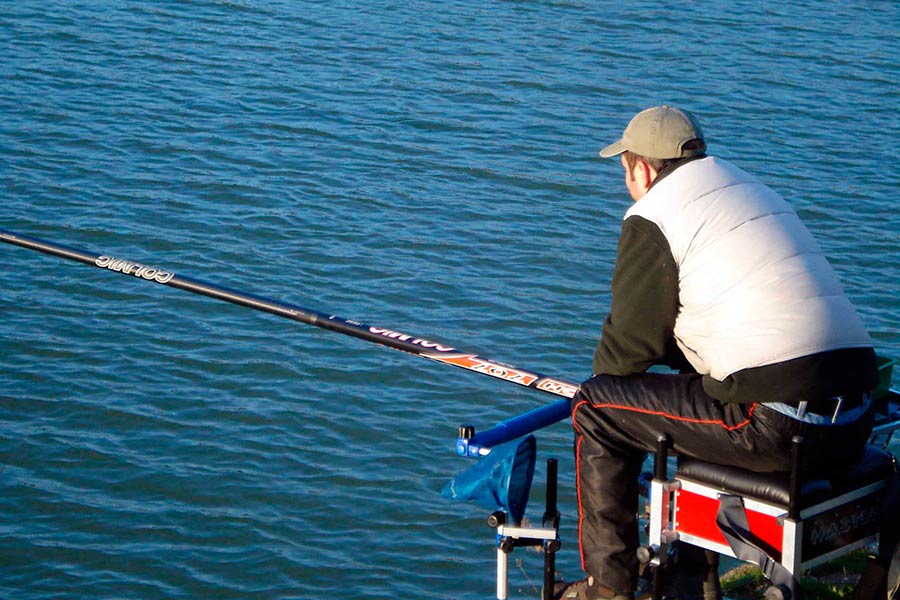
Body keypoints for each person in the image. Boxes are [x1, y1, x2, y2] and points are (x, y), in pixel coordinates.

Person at [556, 106, 879, 600]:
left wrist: (614, 394)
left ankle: (609, 587)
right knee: (687, 398)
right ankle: (687, 576)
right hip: (856, 419)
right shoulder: (749, 189)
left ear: (641, 168)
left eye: (624, 168)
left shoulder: (655, 213)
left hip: (776, 424)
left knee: (597, 407)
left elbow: (626, 352)